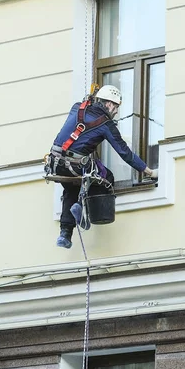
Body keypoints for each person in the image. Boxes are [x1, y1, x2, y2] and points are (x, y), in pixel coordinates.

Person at [47, 85, 158, 249]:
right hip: (76, 165)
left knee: (71, 187)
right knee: (107, 177)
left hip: (55, 163)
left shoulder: (78, 107)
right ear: (110, 104)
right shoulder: (107, 125)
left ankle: (65, 234)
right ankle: (91, 212)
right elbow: (125, 153)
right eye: (116, 107)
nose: (116, 112)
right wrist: (149, 171)